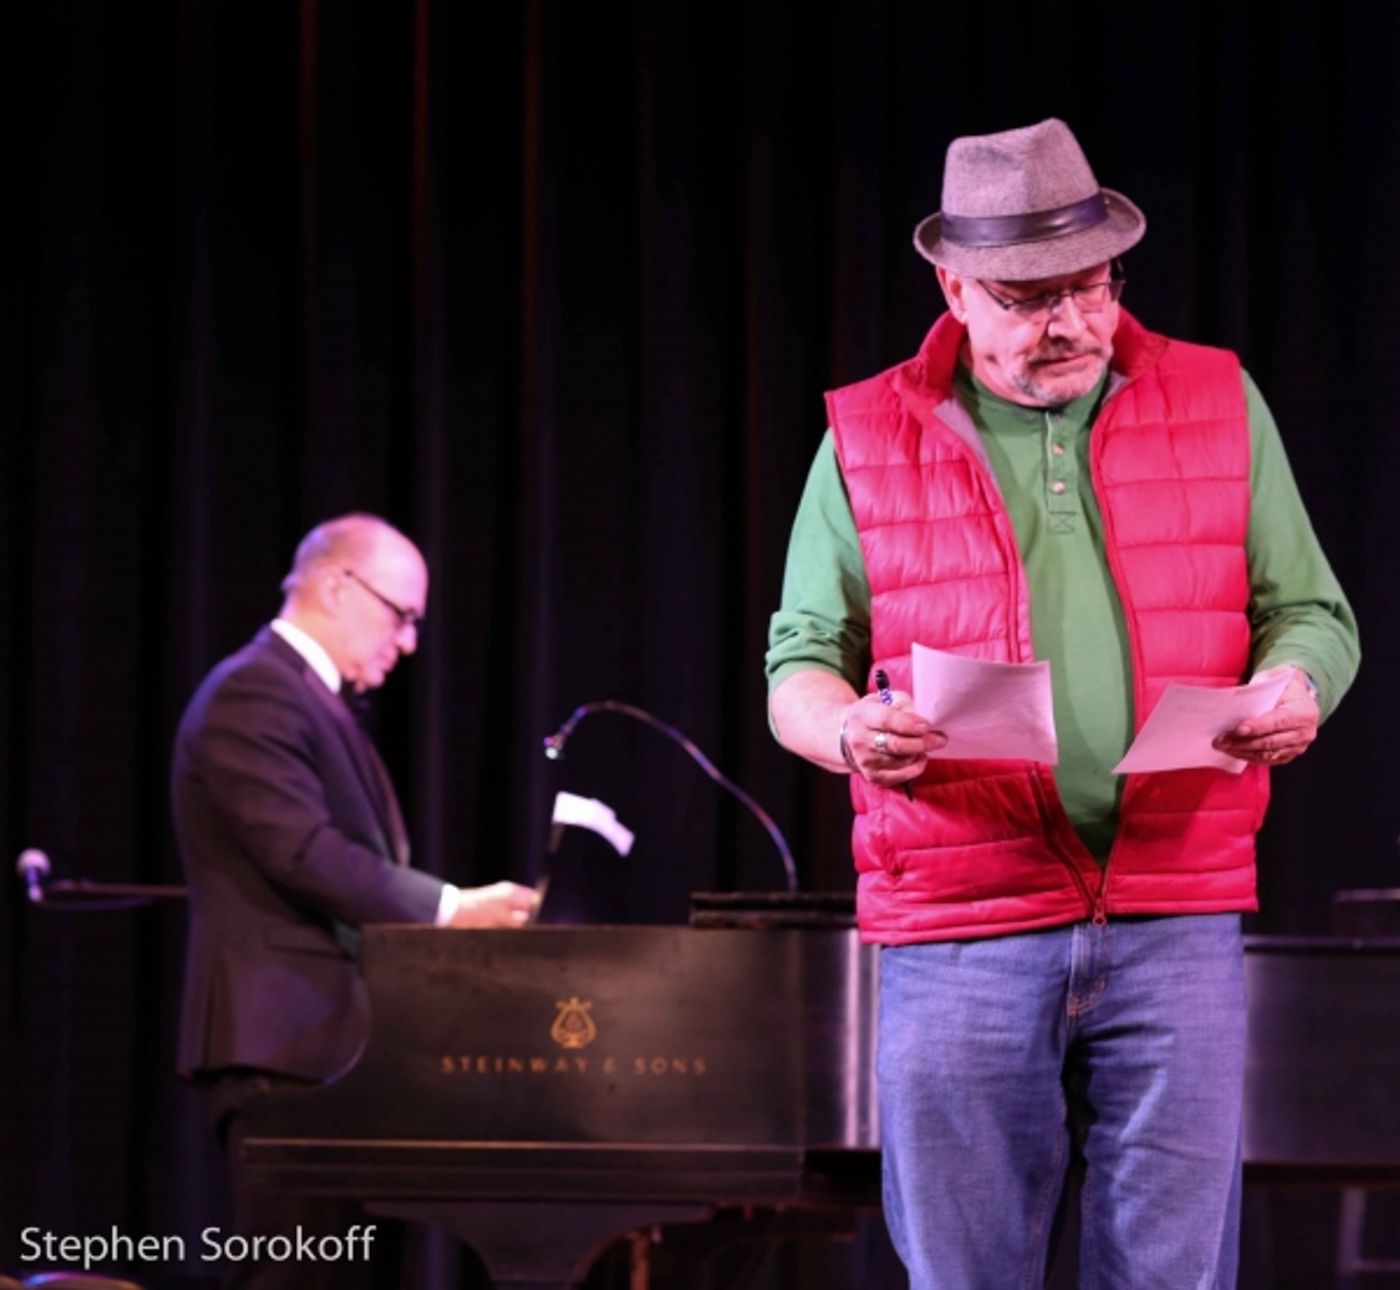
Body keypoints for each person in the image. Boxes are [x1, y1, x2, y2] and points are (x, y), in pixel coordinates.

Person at [767, 119, 1359, 1288]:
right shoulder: (867, 434)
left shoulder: (1214, 395)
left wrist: (1296, 685)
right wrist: (845, 730)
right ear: (954, 287)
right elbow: (798, 662)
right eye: (1029, 298)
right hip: (958, 920)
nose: (1071, 325)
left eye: (1088, 288)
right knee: (963, 1271)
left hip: (1171, 908)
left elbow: (1310, 612)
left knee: (1172, 1275)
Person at [173, 512, 538, 1289]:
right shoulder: (254, 693)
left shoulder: (308, 697)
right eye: (402, 616)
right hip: (282, 1051)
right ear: (338, 586)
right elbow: (300, 852)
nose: (408, 643)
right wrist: (451, 907)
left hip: (331, 1058)